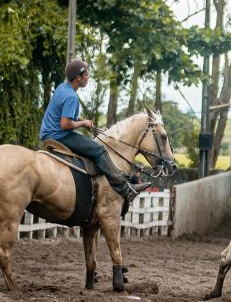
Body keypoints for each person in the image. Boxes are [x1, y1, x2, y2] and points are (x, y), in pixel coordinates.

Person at [40, 58, 150, 202]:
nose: (88, 78)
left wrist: (81, 120)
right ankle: (124, 189)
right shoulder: (71, 97)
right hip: (59, 135)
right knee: (99, 150)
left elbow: (63, 114)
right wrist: (83, 123)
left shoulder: (62, 88)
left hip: (48, 133)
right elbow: (65, 124)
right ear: (78, 77)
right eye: (86, 75)